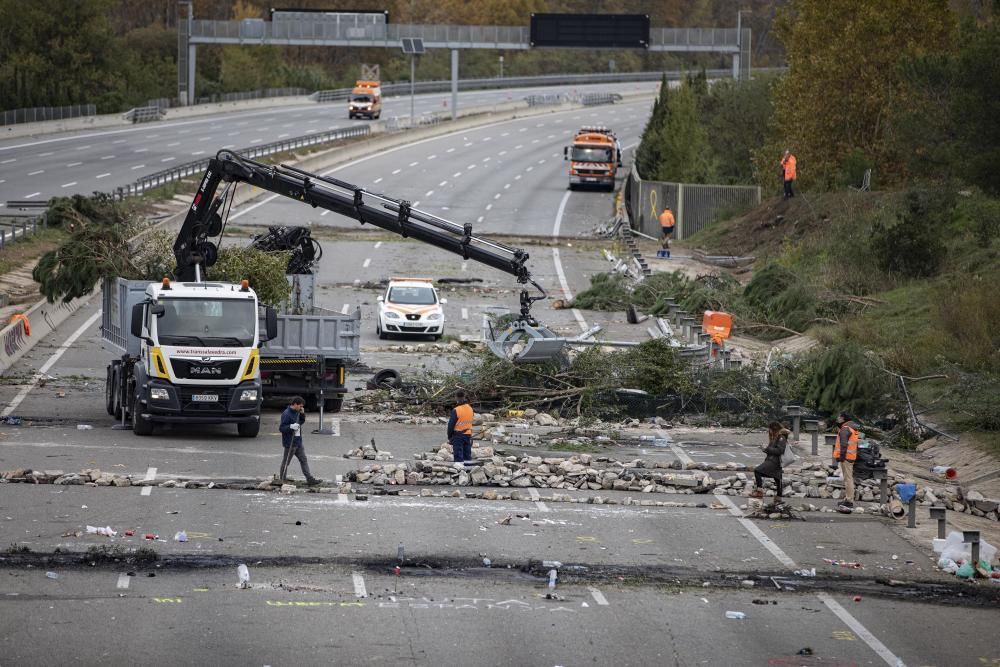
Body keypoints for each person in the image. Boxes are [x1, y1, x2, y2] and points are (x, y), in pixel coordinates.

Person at [278, 396, 322, 486]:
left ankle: (309, 479)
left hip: (298, 442)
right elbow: (281, 428)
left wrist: (302, 414)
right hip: (290, 443)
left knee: (303, 460)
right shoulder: (286, 414)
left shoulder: (297, 412)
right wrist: (290, 427)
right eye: (300, 406)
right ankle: (282, 479)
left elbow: (301, 422)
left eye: (302, 406)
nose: (301, 408)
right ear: (294, 404)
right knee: (286, 462)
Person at [751, 421, 789, 500]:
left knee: (757, 471)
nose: (769, 431)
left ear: (774, 428)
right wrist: (764, 449)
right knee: (777, 477)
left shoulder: (781, 437)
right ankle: (779, 496)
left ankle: (759, 490)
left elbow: (780, 450)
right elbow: (771, 450)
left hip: (774, 461)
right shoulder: (775, 437)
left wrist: (768, 448)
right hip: (772, 460)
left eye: (770, 429)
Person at [833, 412, 860, 507]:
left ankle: (849, 501)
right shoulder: (851, 427)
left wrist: (841, 457)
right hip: (850, 457)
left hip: (846, 458)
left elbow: (844, 444)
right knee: (848, 478)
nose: (837, 419)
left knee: (848, 479)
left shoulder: (845, 429)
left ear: (843, 419)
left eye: (839, 417)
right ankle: (847, 499)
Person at [447, 390, 475, 468]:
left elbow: (450, 425)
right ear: (464, 397)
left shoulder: (456, 410)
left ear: (456, 398)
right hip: (468, 434)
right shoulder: (470, 408)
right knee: (467, 454)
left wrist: (449, 437)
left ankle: (459, 473)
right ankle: (469, 471)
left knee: (458, 456)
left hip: (458, 435)